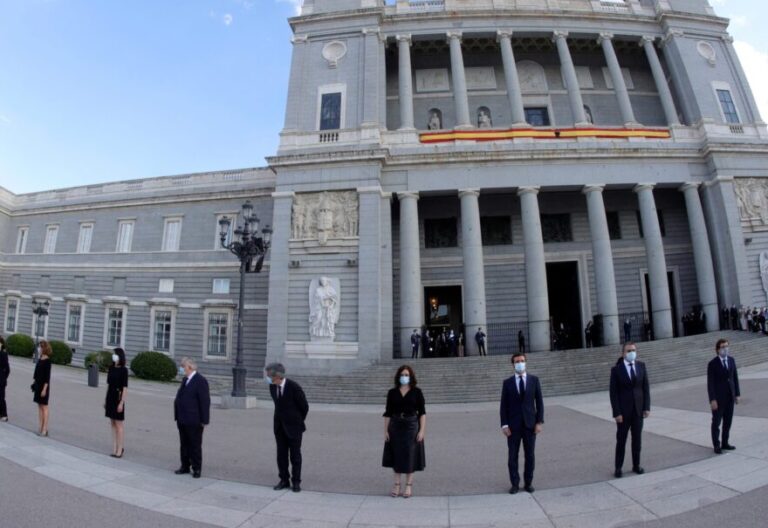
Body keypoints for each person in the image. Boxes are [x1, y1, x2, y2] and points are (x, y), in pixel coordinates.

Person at [500, 353, 544, 494]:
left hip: (530, 425)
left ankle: (528, 482)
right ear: (513, 364)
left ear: (526, 362)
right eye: (517, 361)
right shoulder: (507, 383)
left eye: (522, 361)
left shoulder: (534, 380)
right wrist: (504, 425)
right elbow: (503, 406)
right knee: (512, 456)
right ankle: (514, 484)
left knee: (530, 455)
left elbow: (540, 403)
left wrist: (539, 422)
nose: (520, 363)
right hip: (513, 426)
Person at [383, 365, 426, 499]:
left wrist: (422, 430)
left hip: (411, 426)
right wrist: (385, 430)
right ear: (398, 376)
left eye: (407, 375)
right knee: (396, 455)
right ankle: (396, 484)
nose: (404, 377)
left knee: (410, 455)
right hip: (395, 425)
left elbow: (422, 413)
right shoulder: (392, 392)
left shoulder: (417, 392)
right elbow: (388, 413)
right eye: (402, 374)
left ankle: (408, 485)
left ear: (411, 377)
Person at [609, 342, 650, 478]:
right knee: (621, 440)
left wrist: (646, 407)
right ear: (623, 353)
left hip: (638, 410)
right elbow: (613, 393)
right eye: (628, 351)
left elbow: (645, 389)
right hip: (623, 412)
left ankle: (636, 465)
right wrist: (617, 412)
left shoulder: (641, 366)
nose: (631, 353)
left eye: (633, 350)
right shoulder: (616, 370)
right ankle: (618, 467)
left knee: (637, 440)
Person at [266, 362, 309, 493]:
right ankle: (284, 479)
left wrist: (296, 421)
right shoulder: (272, 387)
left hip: (294, 427)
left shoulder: (294, 387)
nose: (268, 378)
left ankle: (296, 482)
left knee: (295, 456)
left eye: (269, 376)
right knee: (281, 455)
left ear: (278, 376)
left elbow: (304, 407)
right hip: (279, 427)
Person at [173, 357, 210, 478]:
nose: (181, 369)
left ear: (189, 367)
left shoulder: (200, 380)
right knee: (184, 444)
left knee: (194, 444)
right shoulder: (185, 379)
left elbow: (204, 401)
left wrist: (204, 420)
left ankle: (197, 468)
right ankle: (185, 466)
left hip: (194, 419)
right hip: (182, 418)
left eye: (183, 366)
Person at [707, 339, 741, 454]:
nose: (725, 349)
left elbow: (735, 378)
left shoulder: (731, 360)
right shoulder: (712, 364)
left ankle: (725, 442)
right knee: (716, 422)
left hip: (730, 397)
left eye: (726, 346)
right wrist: (712, 399)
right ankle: (716, 445)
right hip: (718, 399)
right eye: (722, 347)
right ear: (717, 350)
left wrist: (737, 394)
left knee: (728, 421)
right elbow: (710, 383)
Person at [105, 348, 128, 458]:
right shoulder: (111, 368)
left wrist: (121, 402)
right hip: (110, 396)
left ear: (120, 356)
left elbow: (125, 388)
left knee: (119, 424)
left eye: (115, 354)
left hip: (118, 397)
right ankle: (114, 448)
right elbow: (109, 385)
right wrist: (105, 400)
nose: (113, 356)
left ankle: (120, 449)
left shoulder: (124, 370)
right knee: (112, 423)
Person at [32, 340, 52, 436]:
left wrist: (44, 389)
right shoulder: (40, 359)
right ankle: (40, 427)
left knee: (44, 407)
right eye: (39, 346)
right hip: (38, 385)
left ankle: (45, 429)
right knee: (39, 406)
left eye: (41, 347)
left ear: (44, 348)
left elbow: (47, 377)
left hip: (44, 386)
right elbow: (36, 373)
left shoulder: (48, 361)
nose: (39, 348)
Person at [0, 336, 9, 421]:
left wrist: (3, 377)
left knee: (1, 397)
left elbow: (7, 369)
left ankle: (4, 414)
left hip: (1, 380)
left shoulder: (3, 354)